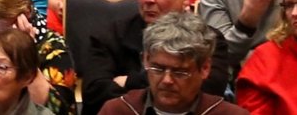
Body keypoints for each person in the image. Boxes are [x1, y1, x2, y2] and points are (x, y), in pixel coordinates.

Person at [78, 0, 231, 115]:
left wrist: (129, 81)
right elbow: (95, 94)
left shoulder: (208, 38)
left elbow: (209, 92)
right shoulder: (109, 34)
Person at [95, 12, 242, 115]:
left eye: (180, 72)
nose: (167, 80)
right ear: (145, 60)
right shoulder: (118, 111)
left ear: (204, 68)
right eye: (157, 69)